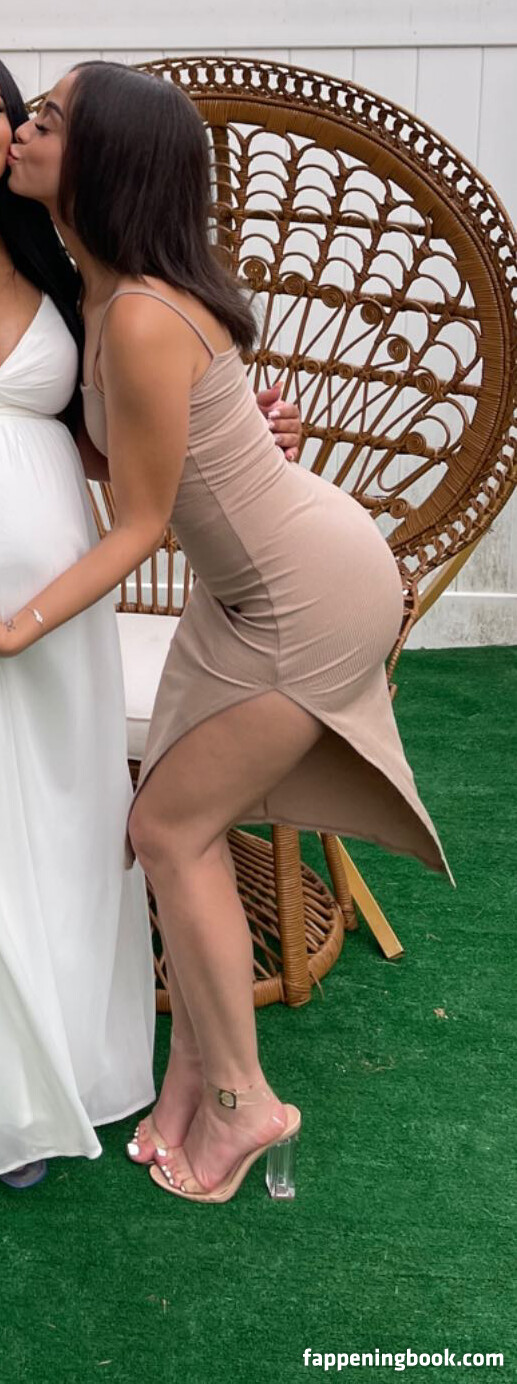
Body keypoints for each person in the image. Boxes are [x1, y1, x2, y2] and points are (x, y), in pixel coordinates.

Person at [6, 61, 449, 1206]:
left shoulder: (139, 310)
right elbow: (126, 447)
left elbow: (139, 521)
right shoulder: (101, 287)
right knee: (172, 825)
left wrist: (16, 627)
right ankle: (184, 1092)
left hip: (302, 593)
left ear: (102, 161)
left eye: (46, 120)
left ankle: (247, 1102)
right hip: (242, 588)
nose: (23, 131)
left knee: (165, 827)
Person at [0, 60, 157, 1190]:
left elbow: (107, 447)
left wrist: (241, 432)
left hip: (55, 608)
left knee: (55, 823)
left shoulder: (57, 263)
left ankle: (53, 1063)